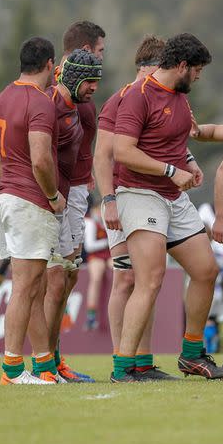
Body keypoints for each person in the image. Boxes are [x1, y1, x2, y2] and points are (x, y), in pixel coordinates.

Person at [112, 33, 223, 381]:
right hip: (139, 193)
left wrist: (189, 162)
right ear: (181, 66)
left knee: (207, 271)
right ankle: (124, 368)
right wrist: (169, 170)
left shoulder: (179, 98)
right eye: (196, 70)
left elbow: (174, 140)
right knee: (150, 280)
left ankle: (192, 355)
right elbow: (123, 151)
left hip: (174, 196)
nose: (198, 77)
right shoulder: (138, 96)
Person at [0, 36, 65, 385]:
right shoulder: (40, 102)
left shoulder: (5, 95)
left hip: (8, 199)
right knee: (26, 287)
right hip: (29, 203)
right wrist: (53, 194)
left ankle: (43, 365)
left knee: (34, 285)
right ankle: (12, 370)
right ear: (49, 65)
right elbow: (42, 158)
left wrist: (10, 175)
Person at [96, 35, 176, 381]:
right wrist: (108, 199)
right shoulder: (123, 99)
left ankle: (142, 361)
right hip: (122, 198)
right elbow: (102, 155)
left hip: (147, 197)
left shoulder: (160, 99)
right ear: (153, 68)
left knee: (145, 279)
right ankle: (123, 359)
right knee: (126, 279)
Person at [38, 47, 101, 383]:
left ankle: (54, 358)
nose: (94, 87)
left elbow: (84, 151)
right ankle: (41, 362)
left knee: (69, 276)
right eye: (90, 80)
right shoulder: (46, 104)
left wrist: (83, 186)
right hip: (51, 201)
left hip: (74, 196)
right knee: (53, 279)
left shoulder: (84, 108)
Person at [83, 197, 111, 331]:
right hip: (96, 255)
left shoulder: (108, 220)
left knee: (123, 272)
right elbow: (90, 246)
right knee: (96, 278)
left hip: (110, 254)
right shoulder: (89, 222)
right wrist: (108, 243)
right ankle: (91, 316)